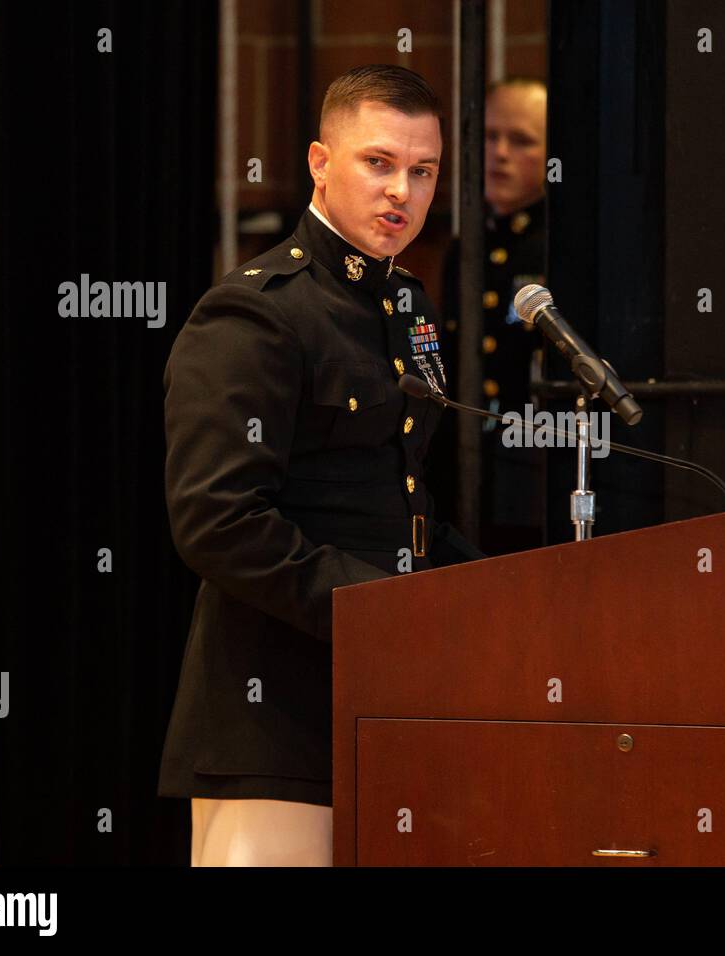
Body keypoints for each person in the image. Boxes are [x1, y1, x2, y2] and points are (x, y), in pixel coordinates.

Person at [158, 65, 482, 866]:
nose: (401, 190)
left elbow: (402, 501)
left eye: (423, 170)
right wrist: (383, 613)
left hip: (392, 706)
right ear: (319, 162)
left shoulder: (408, 308)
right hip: (274, 721)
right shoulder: (259, 310)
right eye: (378, 162)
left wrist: (503, 597)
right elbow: (218, 522)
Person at [438, 78, 548, 554]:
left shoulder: (560, 247)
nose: (499, 152)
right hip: (468, 465)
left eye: (521, 140)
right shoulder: (468, 246)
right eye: (488, 136)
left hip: (535, 466)